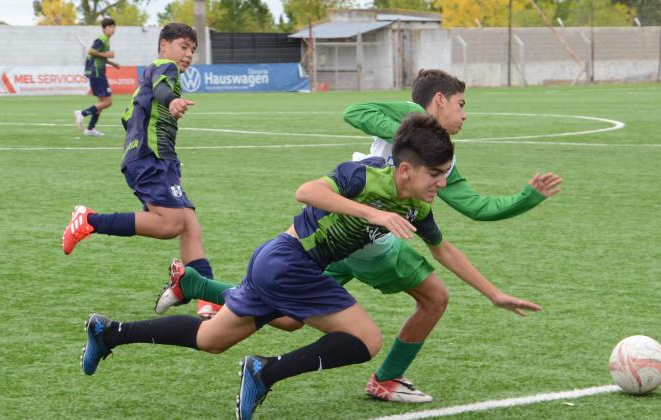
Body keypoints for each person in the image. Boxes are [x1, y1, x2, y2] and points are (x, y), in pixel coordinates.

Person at [80, 114, 543, 419]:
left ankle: (110, 332)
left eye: (444, 176)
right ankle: (264, 372)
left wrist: (493, 293)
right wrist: (372, 213)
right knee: (366, 339)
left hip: (277, 264)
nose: (441, 184)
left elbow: (445, 251)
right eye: (435, 175)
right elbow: (306, 191)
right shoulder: (366, 175)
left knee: (210, 339)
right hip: (290, 261)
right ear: (405, 169)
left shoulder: (417, 205)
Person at [155, 69, 563, 402]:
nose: (464, 114)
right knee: (406, 313)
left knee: (271, 323)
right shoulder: (390, 153)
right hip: (357, 243)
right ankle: (374, 378)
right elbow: (354, 116)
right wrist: (407, 136)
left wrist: (496, 286)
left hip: (331, 248)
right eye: (461, 105)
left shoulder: (429, 178)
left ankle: (189, 288)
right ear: (438, 101)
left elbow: (461, 225)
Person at [63, 23, 217, 317]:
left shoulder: (149, 77)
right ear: (164, 46)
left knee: (189, 225)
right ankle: (89, 220)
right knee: (171, 225)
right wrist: (171, 101)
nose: (188, 55)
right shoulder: (164, 68)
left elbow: (127, 116)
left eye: (192, 51)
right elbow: (161, 90)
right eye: (183, 47)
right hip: (152, 159)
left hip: (158, 160)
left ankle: (205, 297)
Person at [75, 18, 119, 137]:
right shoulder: (101, 39)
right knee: (108, 102)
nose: (112, 29)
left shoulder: (106, 40)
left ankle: (90, 129)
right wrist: (107, 54)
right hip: (97, 73)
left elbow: (99, 57)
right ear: (104, 29)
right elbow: (91, 51)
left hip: (98, 72)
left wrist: (113, 63)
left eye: (113, 26)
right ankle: (82, 113)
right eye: (109, 27)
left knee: (101, 103)